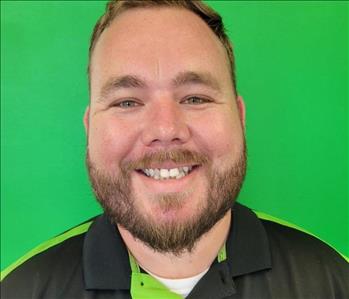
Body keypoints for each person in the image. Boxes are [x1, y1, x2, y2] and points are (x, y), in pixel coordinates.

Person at [1, 1, 348, 298]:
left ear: (240, 119)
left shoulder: (333, 281)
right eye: (127, 102)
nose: (165, 130)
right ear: (90, 129)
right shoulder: (17, 290)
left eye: (196, 98)